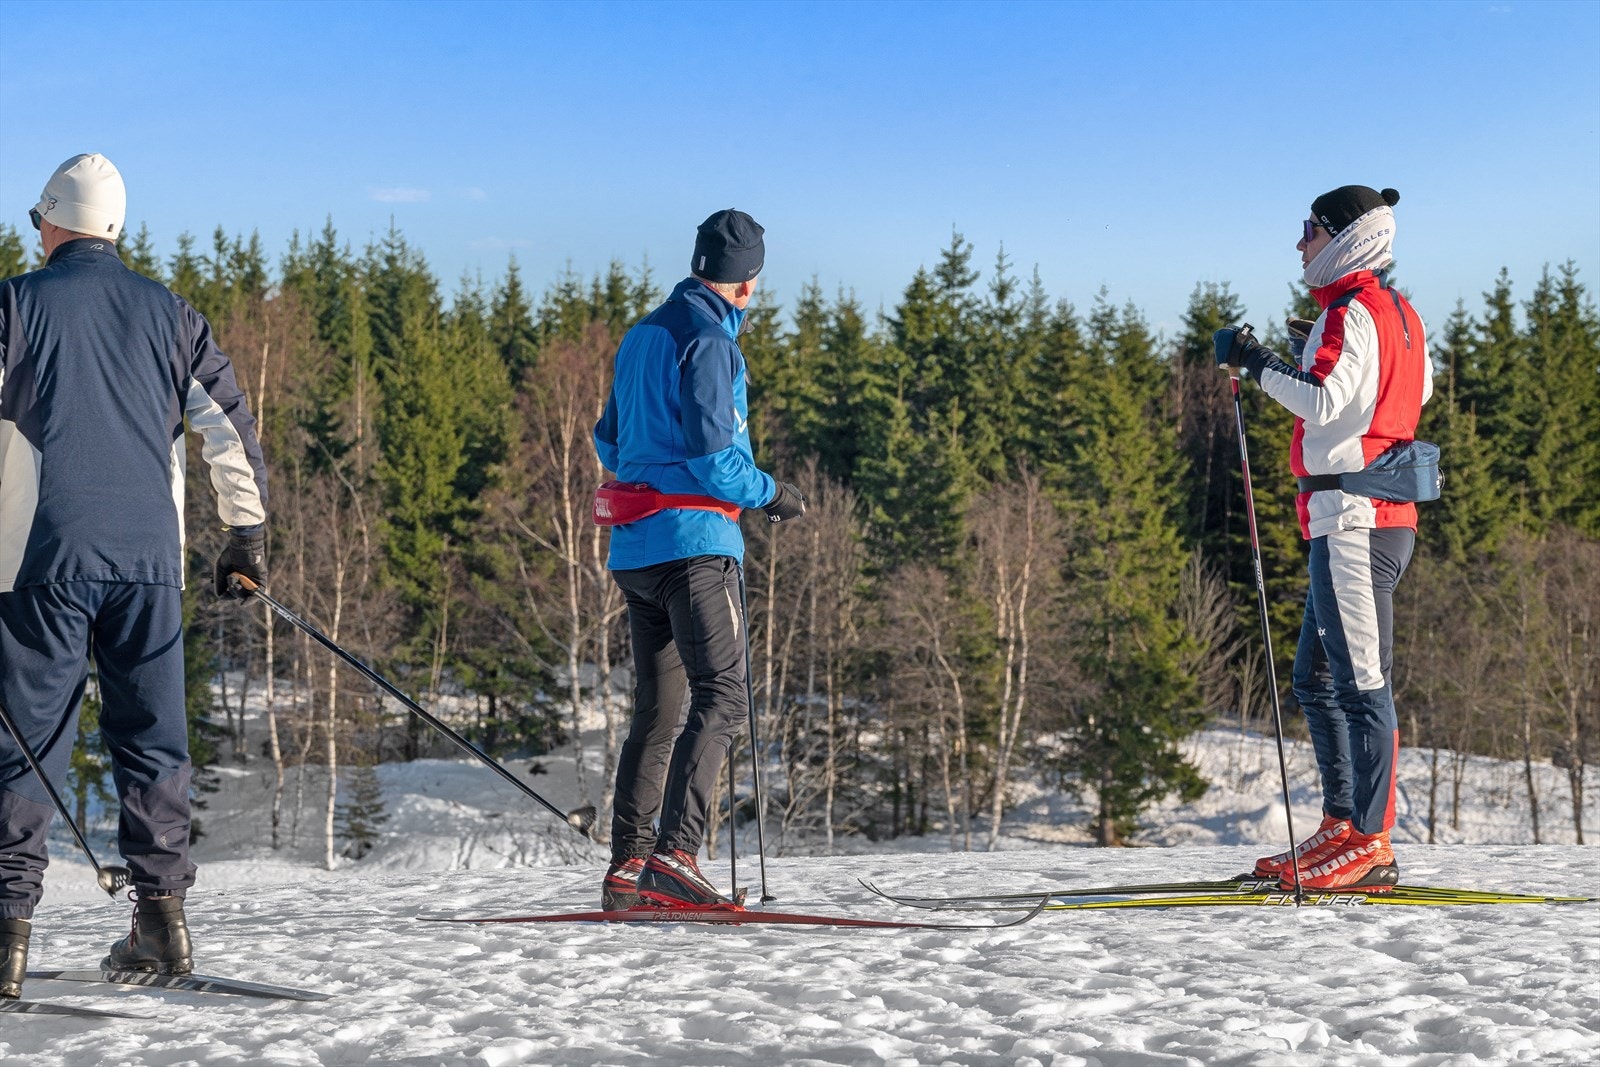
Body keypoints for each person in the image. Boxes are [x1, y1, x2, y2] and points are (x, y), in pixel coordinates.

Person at [0, 153, 268, 998]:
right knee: (153, 739)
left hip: (41, 558)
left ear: (50, 222)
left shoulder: (15, 303)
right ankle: (161, 923)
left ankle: (4, 933)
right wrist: (245, 536)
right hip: (149, 563)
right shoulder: (171, 313)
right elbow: (228, 424)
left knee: (25, 743)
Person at [1215, 185, 1432, 892]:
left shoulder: (1352, 311)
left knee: (1363, 682)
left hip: (1355, 522)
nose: (1299, 243)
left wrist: (1254, 362)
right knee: (1315, 677)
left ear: (1341, 236)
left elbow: (1323, 398)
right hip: (1367, 519)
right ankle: (1343, 825)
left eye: (1308, 230)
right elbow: (1403, 398)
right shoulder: (1401, 314)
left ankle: (1370, 843)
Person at [593, 209, 805, 910]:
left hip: (638, 550)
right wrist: (773, 493)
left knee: (658, 709)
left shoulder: (642, 334)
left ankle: (627, 865)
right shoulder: (712, 342)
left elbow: (609, 440)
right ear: (747, 283)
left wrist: (648, 477)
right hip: (696, 548)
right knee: (725, 695)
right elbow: (718, 459)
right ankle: (675, 853)